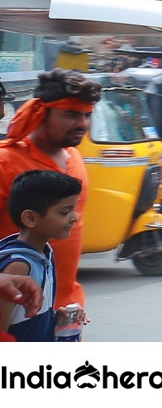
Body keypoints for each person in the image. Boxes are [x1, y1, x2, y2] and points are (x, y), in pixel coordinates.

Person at [0, 69, 100, 338]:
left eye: (87, 115)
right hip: (16, 316)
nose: (82, 123)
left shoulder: (75, 158)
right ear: (41, 112)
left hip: (64, 310)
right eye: (71, 114)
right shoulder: (5, 162)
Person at [0, 169, 80, 341]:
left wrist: (54, 319)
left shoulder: (43, 255)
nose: (75, 217)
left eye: (74, 209)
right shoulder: (19, 265)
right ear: (30, 218)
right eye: (65, 212)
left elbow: (28, 316)